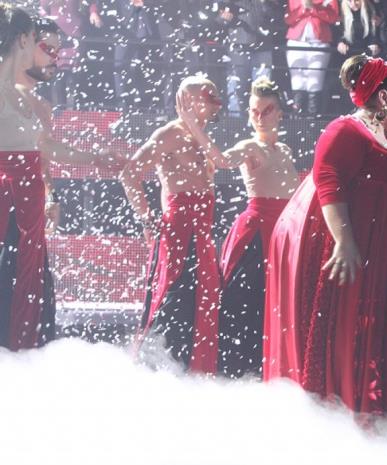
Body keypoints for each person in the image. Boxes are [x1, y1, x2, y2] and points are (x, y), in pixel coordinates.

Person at [263, 55, 387, 418]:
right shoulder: (345, 130)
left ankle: (376, 414)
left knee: (377, 332)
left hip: (386, 257)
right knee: (346, 330)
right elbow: (327, 181)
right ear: (383, 98)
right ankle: (339, 416)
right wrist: (344, 242)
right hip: (355, 248)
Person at [1, 5, 119, 351]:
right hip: (8, 206)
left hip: (28, 210)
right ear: (24, 39)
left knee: (27, 291)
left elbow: (43, 146)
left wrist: (95, 158)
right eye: (39, 42)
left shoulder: (20, 94)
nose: (52, 55)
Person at [177, 77, 300, 377]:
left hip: (283, 232)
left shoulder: (284, 149)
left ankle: (271, 369)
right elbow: (221, 160)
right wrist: (193, 126)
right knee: (245, 303)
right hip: (256, 232)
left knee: (278, 303)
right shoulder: (249, 146)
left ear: (279, 113)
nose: (259, 117)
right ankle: (237, 371)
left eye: (266, 110)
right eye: (254, 111)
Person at [120, 76, 224, 373]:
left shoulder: (200, 137)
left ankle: (193, 370)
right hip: (180, 230)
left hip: (201, 231)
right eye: (209, 94)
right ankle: (160, 370)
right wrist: (146, 218)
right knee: (174, 300)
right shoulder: (170, 134)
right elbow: (129, 173)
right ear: (187, 100)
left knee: (201, 302)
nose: (216, 101)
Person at [285, 0, 339, 116]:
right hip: (296, 42)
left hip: (319, 43)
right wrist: (303, 9)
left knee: (315, 81)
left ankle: (312, 117)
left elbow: (333, 17)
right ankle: (297, 116)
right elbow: (288, 19)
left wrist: (313, 8)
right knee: (297, 81)